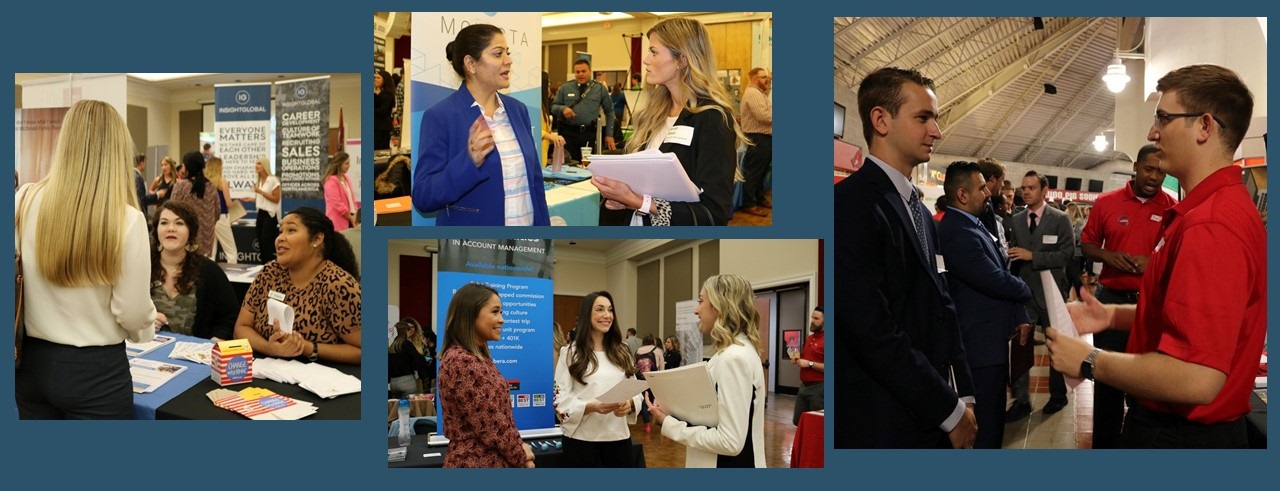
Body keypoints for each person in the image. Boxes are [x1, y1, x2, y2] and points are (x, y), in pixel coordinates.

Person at [1048, 64, 1265, 448]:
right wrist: (1112, 314)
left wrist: (1089, 360)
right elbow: (1186, 313)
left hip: (1183, 438)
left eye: (1164, 118)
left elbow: (1196, 376)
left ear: (1204, 126)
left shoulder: (1210, 225)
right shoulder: (1205, 212)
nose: (1152, 132)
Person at [833, 67, 976, 449]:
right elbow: (872, 331)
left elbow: (943, 306)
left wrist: (963, 396)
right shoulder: (848, 205)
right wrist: (947, 409)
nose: (937, 131)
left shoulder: (923, 214)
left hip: (928, 411)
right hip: (882, 420)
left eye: (936, 118)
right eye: (923, 117)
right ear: (881, 119)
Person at [15, 99, 157, 419]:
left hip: (30, 364)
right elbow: (132, 313)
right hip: (96, 372)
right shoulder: (127, 220)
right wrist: (145, 330)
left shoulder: (24, 199)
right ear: (118, 149)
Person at [591, 18, 747, 227]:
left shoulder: (713, 119)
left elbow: (713, 215)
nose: (646, 60)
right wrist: (624, 198)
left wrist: (637, 201)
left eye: (654, 52)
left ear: (682, 60)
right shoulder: (654, 114)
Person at [1078, 143, 1177, 448]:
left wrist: (1154, 262)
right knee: (1107, 381)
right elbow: (1088, 245)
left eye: (1161, 171)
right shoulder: (1107, 203)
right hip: (1111, 301)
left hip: (1150, 304)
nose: (1154, 177)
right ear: (1135, 167)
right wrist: (1109, 256)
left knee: (1145, 384)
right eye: (1149, 169)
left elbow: (1176, 256)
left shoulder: (1171, 208)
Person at [412, 23, 549, 226]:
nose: (509, 61)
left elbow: (535, 185)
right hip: (475, 248)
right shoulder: (441, 116)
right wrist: (469, 162)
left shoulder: (518, 110)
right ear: (471, 64)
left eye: (507, 53)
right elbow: (424, 197)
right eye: (498, 53)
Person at [937, 162, 1033, 448]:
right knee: (986, 428)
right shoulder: (957, 231)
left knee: (994, 420)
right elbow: (993, 278)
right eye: (981, 188)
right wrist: (1025, 289)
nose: (988, 193)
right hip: (979, 346)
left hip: (991, 342)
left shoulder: (973, 224)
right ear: (963, 195)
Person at [646, 274, 765, 467]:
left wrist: (670, 424)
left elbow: (730, 441)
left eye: (701, 301)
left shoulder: (733, 358)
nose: (696, 310)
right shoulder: (733, 352)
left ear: (719, 307)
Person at [232, 207, 361, 364]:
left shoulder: (339, 284)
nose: (280, 238)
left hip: (321, 382)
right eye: (280, 231)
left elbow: (364, 350)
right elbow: (241, 328)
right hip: (268, 372)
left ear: (317, 239)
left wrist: (308, 348)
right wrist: (270, 348)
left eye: (291, 230)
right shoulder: (269, 273)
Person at [438, 283, 536, 467]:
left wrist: (520, 448)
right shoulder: (462, 361)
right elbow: (491, 425)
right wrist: (521, 456)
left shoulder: (477, 358)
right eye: (495, 311)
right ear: (470, 314)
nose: (502, 319)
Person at [1006, 170, 1075, 421]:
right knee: (1020, 346)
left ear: (1044, 191)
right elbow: (1014, 254)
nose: (1026, 192)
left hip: (1051, 292)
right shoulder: (1016, 220)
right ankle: (1021, 400)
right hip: (1024, 292)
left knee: (1055, 344)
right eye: (1023, 188)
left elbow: (1066, 254)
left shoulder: (1060, 219)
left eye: (1031, 188)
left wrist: (1032, 256)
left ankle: (1058, 395)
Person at [553, 291, 642, 467]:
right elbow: (559, 400)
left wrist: (630, 404)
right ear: (587, 315)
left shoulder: (622, 351)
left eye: (610, 310)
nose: (607, 315)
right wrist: (590, 406)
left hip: (618, 438)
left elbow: (634, 389)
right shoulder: (570, 353)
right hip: (581, 441)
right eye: (600, 310)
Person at [149, 201, 238, 341]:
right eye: (164, 223)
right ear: (156, 229)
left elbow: (229, 318)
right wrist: (144, 320)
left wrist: (215, 341)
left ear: (190, 231)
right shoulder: (142, 268)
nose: (171, 228)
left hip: (194, 356)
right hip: (147, 352)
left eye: (179, 223)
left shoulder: (209, 271)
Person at [551, 59, 615, 162]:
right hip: (568, 134)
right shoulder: (565, 88)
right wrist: (563, 109)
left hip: (589, 135)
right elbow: (553, 107)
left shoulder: (599, 88)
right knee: (569, 165)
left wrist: (609, 134)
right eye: (577, 72)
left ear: (590, 71)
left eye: (583, 71)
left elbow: (610, 111)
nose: (580, 74)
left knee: (588, 166)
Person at [170, 151, 219, 258]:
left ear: (187, 167)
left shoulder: (181, 186)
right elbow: (217, 212)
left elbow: (171, 210)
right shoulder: (211, 187)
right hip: (207, 239)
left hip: (186, 238)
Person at [739, 67, 773, 217]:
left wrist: (769, 81)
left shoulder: (759, 93)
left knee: (761, 172)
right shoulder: (753, 93)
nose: (767, 79)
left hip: (763, 137)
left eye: (768, 77)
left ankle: (758, 198)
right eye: (764, 77)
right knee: (755, 173)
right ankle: (749, 203)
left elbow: (766, 92)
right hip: (758, 137)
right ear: (754, 79)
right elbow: (764, 117)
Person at [240, 156, 281, 264]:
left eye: (259, 163)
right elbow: (264, 199)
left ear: (265, 165)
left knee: (266, 243)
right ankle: (263, 266)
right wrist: (252, 199)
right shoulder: (259, 180)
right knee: (261, 243)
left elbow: (276, 199)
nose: (256, 166)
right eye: (256, 163)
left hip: (270, 215)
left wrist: (260, 192)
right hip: (261, 214)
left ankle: (270, 267)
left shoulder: (273, 180)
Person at [792, 306, 826, 425]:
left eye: (816, 318)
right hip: (804, 386)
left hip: (819, 388)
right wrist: (797, 360)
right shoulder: (809, 338)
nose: (812, 320)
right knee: (798, 420)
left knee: (815, 424)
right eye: (812, 317)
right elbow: (806, 358)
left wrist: (809, 364)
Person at [203, 157, 238, 264]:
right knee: (231, 252)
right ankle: (233, 278)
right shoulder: (222, 181)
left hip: (207, 218)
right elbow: (228, 203)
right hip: (221, 217)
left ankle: (209, 277)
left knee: (210, 252)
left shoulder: (204, 183)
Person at [388, 318, 434, 398]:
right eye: (408, 328)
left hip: (394, 382)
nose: (411, 330)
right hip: (408, 380)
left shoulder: (393, 345)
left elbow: (428, 358)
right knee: (410, 407)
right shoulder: (407, 344)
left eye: (412, 327)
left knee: (398, 408)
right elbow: (419, 359)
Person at [634, 334, 664, 434]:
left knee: (643, 402)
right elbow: (662, 368)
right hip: (654, 380)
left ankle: (647, 425)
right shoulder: (657, 350)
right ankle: (664, 423)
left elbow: (635, 366)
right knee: (660, 401)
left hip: (641, 380)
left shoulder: (638, 350)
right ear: (653, 341)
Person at [322, 152, 357, 232]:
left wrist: (355, 214)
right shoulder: (330, 181)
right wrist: (350, 216)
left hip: (351, 219)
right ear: (339, 164)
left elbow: (352, 199)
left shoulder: (346, 178)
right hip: (338, 221)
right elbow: (337, 204)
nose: (349, 166)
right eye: (346, 163)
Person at [540, 71, 567, 166]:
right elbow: (532, 128)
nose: (549, 90)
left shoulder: (543, 106)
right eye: (547, 86)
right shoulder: (533, 106)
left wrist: (553, 135)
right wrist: (551, 137)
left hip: (543, 153)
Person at [374, 69, 395, 150]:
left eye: (378, 78)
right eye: (375, 77)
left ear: (385, 80)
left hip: (382, 128)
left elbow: (383, 111)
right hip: (379, 127)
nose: (375, 79)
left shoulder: (387, 94)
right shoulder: (381, 93)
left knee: (380, 151)